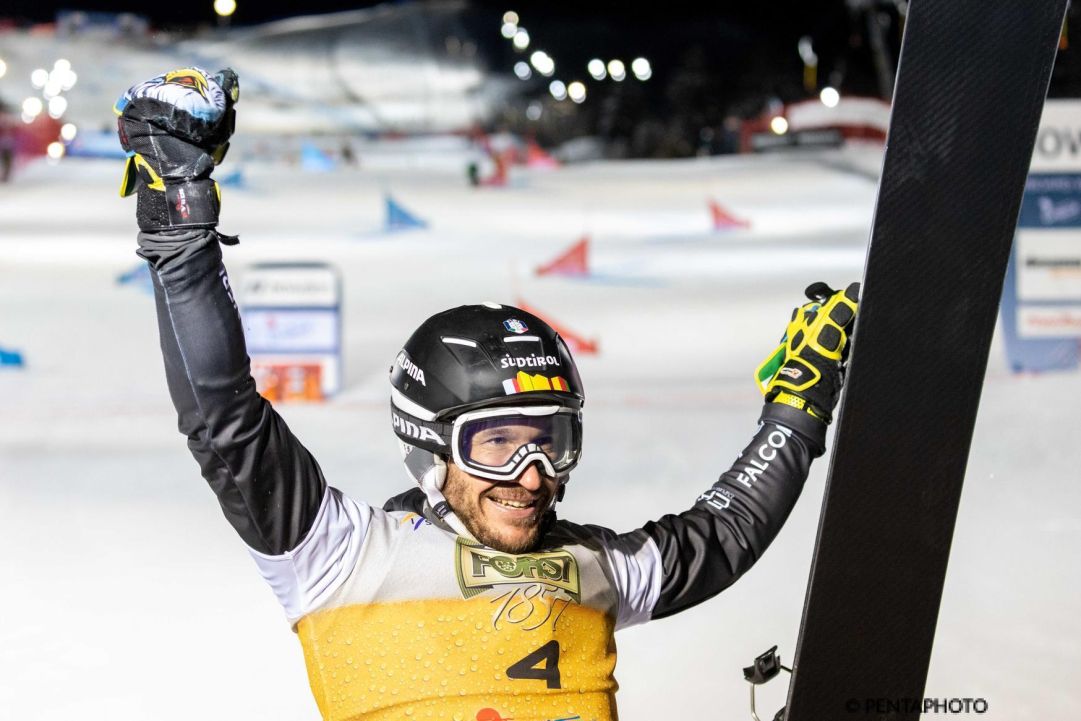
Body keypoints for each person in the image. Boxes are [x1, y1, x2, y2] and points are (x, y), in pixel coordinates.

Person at [117, 68, 859, 721]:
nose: (531, 475)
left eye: (552, 440)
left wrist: (797, 405)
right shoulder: (342, 556)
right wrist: (179, 217)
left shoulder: (597, 566)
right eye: (496, 443)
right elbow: (224, 418)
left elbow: (723, 534)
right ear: (429, 448)